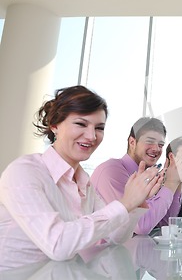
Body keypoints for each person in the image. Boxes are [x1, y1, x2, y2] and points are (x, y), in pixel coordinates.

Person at [0, 86, 161, 270]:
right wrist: (125, 203)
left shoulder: (84, 181)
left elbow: (117, 237)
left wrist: (135, 203)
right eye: (81, 124)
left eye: (99, 128)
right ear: (55, 125)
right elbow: (58, 245)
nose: (92, 136)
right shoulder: (24, 172)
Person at [91, 117, 182, 235]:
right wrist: (171, 183)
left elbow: (164, 223)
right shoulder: (111, 171)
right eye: (150, 141)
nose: (156, 149)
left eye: (160, 145)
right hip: (103, 252)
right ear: (132, 142)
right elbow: (141, 226)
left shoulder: (151, 176)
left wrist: (178, 180)